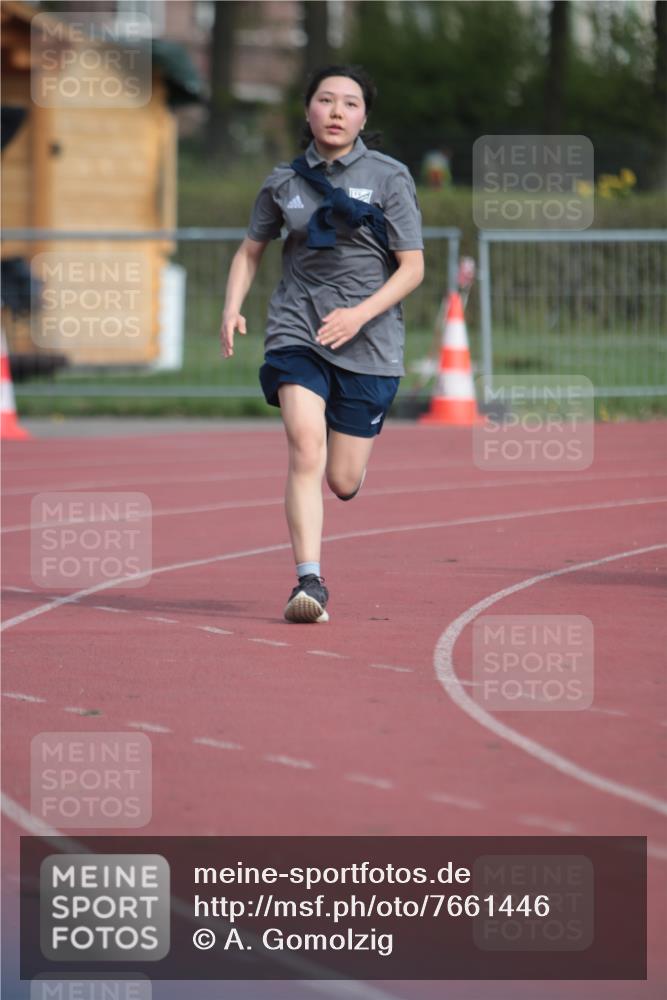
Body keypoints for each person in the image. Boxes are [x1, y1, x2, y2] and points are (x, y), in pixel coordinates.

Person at [220, 65, 424, 624]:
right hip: (297, 329)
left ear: (364, 117)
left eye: (350, 103)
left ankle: (352, 466)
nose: (337, 112)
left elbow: (413, 268)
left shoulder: (390, 178)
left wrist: (358, 314)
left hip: (370, 339)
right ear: (307, 110)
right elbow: (251, 250)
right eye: (326, 100)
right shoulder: (281, 182)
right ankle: (308, 582)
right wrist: (232, 305)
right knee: (305, 446)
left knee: (341, 479)